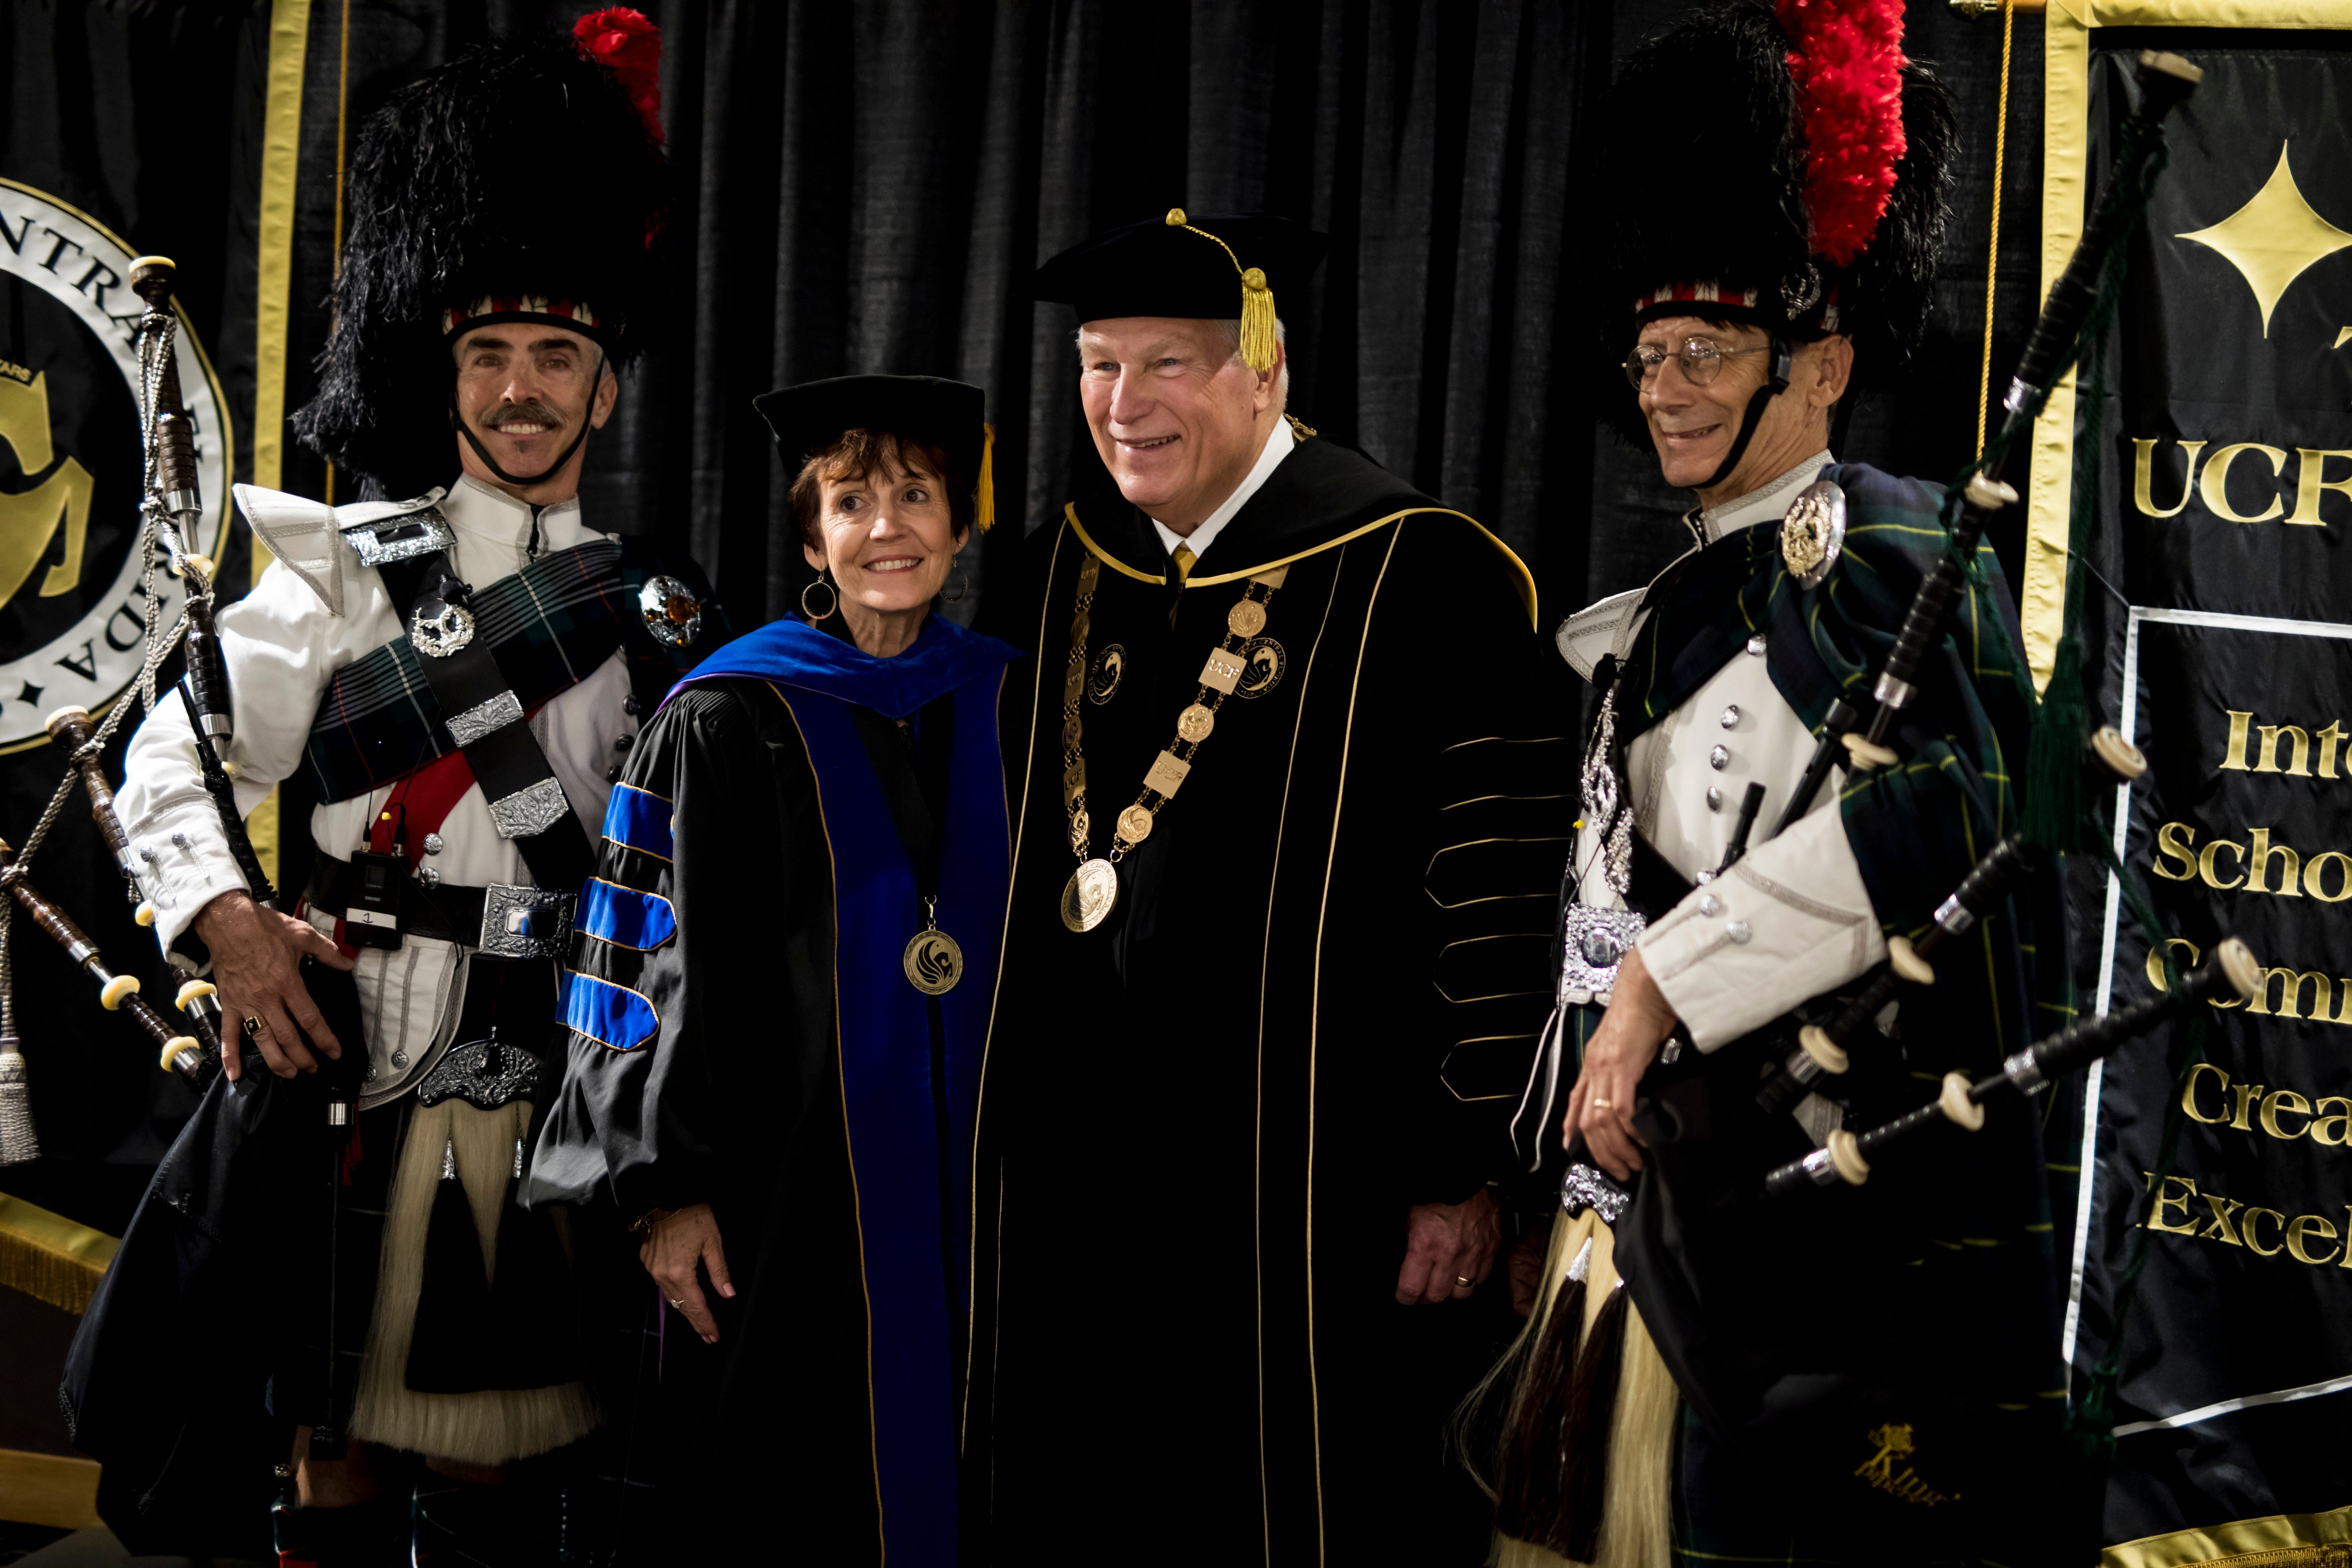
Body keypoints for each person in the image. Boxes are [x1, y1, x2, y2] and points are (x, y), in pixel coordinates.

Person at [105, 17, 716, 1565]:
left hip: (549, 1057)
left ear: (606, 393)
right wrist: (225, 919)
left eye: (557, 358)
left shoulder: (663, 612)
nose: (522, 390)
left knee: (510, 1471)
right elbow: (164, 753)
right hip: (350, 1050)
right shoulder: (337, 565)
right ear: (443, 372)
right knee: (333, 1459)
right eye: (491, 357)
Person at [1481, 5, 2066, 1565]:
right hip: (1638, 1197)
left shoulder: (1879, 547)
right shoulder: (1677, 594)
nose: (1662, 387)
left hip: (1793, 1220)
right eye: (1649, 353)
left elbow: (1948, 815)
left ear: (1819, 362)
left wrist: (1659, 989)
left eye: (1706, 352)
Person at [967, 210, 1574, 1560]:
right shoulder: (1057, 569)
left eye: (1167, 363)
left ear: (1265, 373)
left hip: (1325, 1198)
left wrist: (1459, 1170)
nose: (1123, 406)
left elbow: (1494, 908)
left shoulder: (1428, 573)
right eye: (1097, 365)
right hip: (1082, 1184)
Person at [526, 375, 1018, 1564]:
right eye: (853, 502)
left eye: (916, 495)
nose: (887, 525)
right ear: (815, 539)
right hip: (783, 1199)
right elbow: (636, 959)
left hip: (993, 1202)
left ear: (960, 523)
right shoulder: (727, 715)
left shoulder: (1016, 700)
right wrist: (662, 1187)